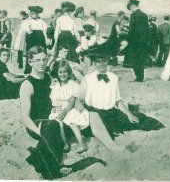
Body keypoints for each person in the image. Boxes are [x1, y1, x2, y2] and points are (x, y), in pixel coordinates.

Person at [19, 46, 106, 180]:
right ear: (30, 62)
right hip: (38, 124)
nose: (42, 63)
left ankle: (38, 156)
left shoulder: (49, 78)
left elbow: (70, 85)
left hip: (57, 118)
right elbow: (25, 118)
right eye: (37, 60)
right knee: (52, 126)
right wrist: (39, 133)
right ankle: (55, 168)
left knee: (87, 115)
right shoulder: (27, 85)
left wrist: (75, 101)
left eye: (44, 59)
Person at [79, 49, 165, 141]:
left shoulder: (113, 77)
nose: (101, 64)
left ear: (108, 60)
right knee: (107, 132)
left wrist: (128, 114)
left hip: (111, 112)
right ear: (94, 63)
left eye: (104, 60)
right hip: (94, 113)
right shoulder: (87, 79)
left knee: (139, 119)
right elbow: (80, 99)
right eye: (98, 61)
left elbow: (117, 101)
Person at [49, 60, 89, 153]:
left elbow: (72, 101)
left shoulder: (73, 85)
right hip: (58, 109)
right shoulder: (55, 85)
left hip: (69, 109)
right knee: (59, 122)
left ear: (69, 72)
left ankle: (81, 143)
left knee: (71, 120)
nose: (63, 74)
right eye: (60, 72)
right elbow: (54, 99)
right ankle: (65, 143)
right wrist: (55, 107)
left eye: (65, 72)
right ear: (57, 73)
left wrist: (65, 111)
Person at [127, 0, 150, 82]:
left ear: (132, 6)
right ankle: (141, 77)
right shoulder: (145, 15)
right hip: (143, 41)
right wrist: (147, 40)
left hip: (135, 42)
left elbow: (131, 29)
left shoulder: (133, 15)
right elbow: (147, 30)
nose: (131, 10)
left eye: (130, 8)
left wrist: (128, 39)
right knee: (141, 59)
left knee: (135, 59)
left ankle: (138, 77)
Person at [22, 6, 48, 74]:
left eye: (35, 13)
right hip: (32, 36)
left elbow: (45, 28)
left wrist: (45, 36)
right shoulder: (28, 20)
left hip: (40, 36)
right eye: (32, 13)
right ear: (30, 13)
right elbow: (24, 26)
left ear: (38, 13)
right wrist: (29, 31)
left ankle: (41, 67)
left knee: (41, 50)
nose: (34, 15)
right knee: (30, 50)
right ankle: (29, 69)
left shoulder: (41, 20)